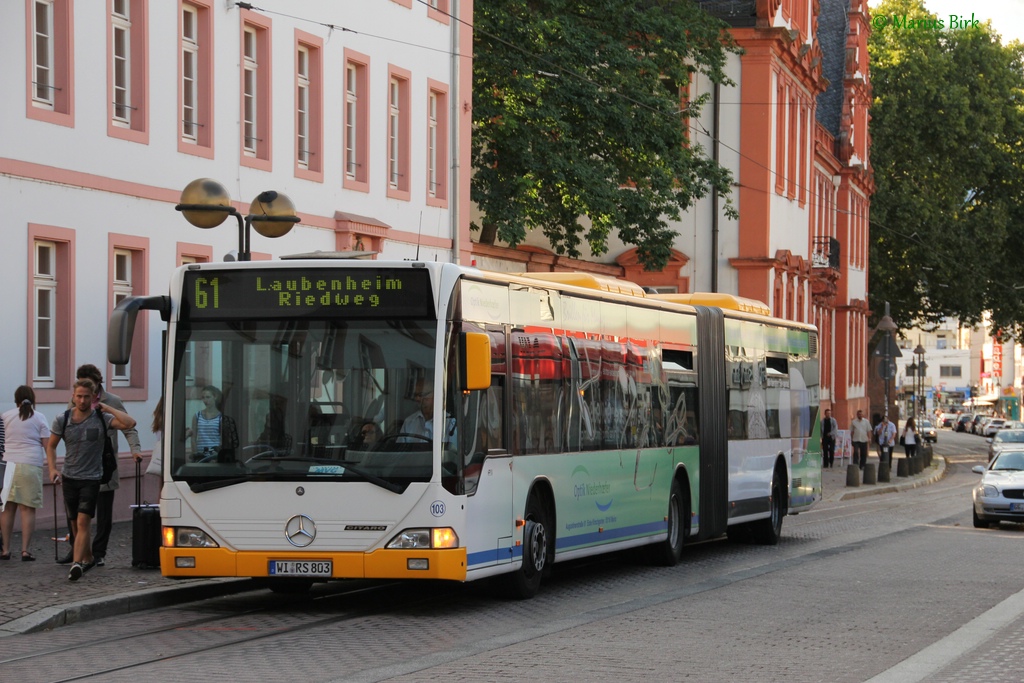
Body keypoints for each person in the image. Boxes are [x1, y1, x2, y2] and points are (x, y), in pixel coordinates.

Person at [47, 378, 136, 581]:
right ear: (73, 396)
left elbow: (130, 423)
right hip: (69, 477)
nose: (82, 400)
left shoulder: (101, 418)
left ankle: (76, 564)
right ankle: (88, 558)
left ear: (94, 397)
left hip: (92, 478)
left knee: (83, 521)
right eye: (79, 396)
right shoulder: (63, 419)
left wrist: (108, 409)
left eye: (87, 396)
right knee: (74, 524)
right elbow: (51, 445)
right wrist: (52, 469)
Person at [61, 364, 142, 567]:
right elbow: (65, 427)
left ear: (98, 383)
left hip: (105, 464)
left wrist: (135, 450)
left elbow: (129, 428)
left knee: (103, 512)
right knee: (76, 514)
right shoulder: (74, 401)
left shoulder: (112, 401)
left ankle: (98, 552)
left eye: (90, 384)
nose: (85, 392)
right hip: (79, 467)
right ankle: (76, 550)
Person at [1, 386, 50, 561]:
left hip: (8, 465)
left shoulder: (5, 416)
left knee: (7, 509)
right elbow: (47, 445)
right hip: (30, 465)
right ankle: (25, 551)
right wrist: (52, 467)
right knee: (27, 509)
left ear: (16, 400)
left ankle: (5, 550)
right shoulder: (39, 417)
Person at [186, 385, 239, 461]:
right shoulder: (197, 416)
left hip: (215, 456)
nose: (205, 400)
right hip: (200, 456)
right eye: (203, 397)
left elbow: (222, 438)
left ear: (215, 397)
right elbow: (193, 438)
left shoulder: (221, 417)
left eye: (208, 397)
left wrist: (218, 454)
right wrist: (195, 454)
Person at [146, 398, 164, 500]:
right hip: (168, 458)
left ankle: (160, 508)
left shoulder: (159, 420)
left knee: (162, 487)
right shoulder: (168, 420)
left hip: (161, 457)